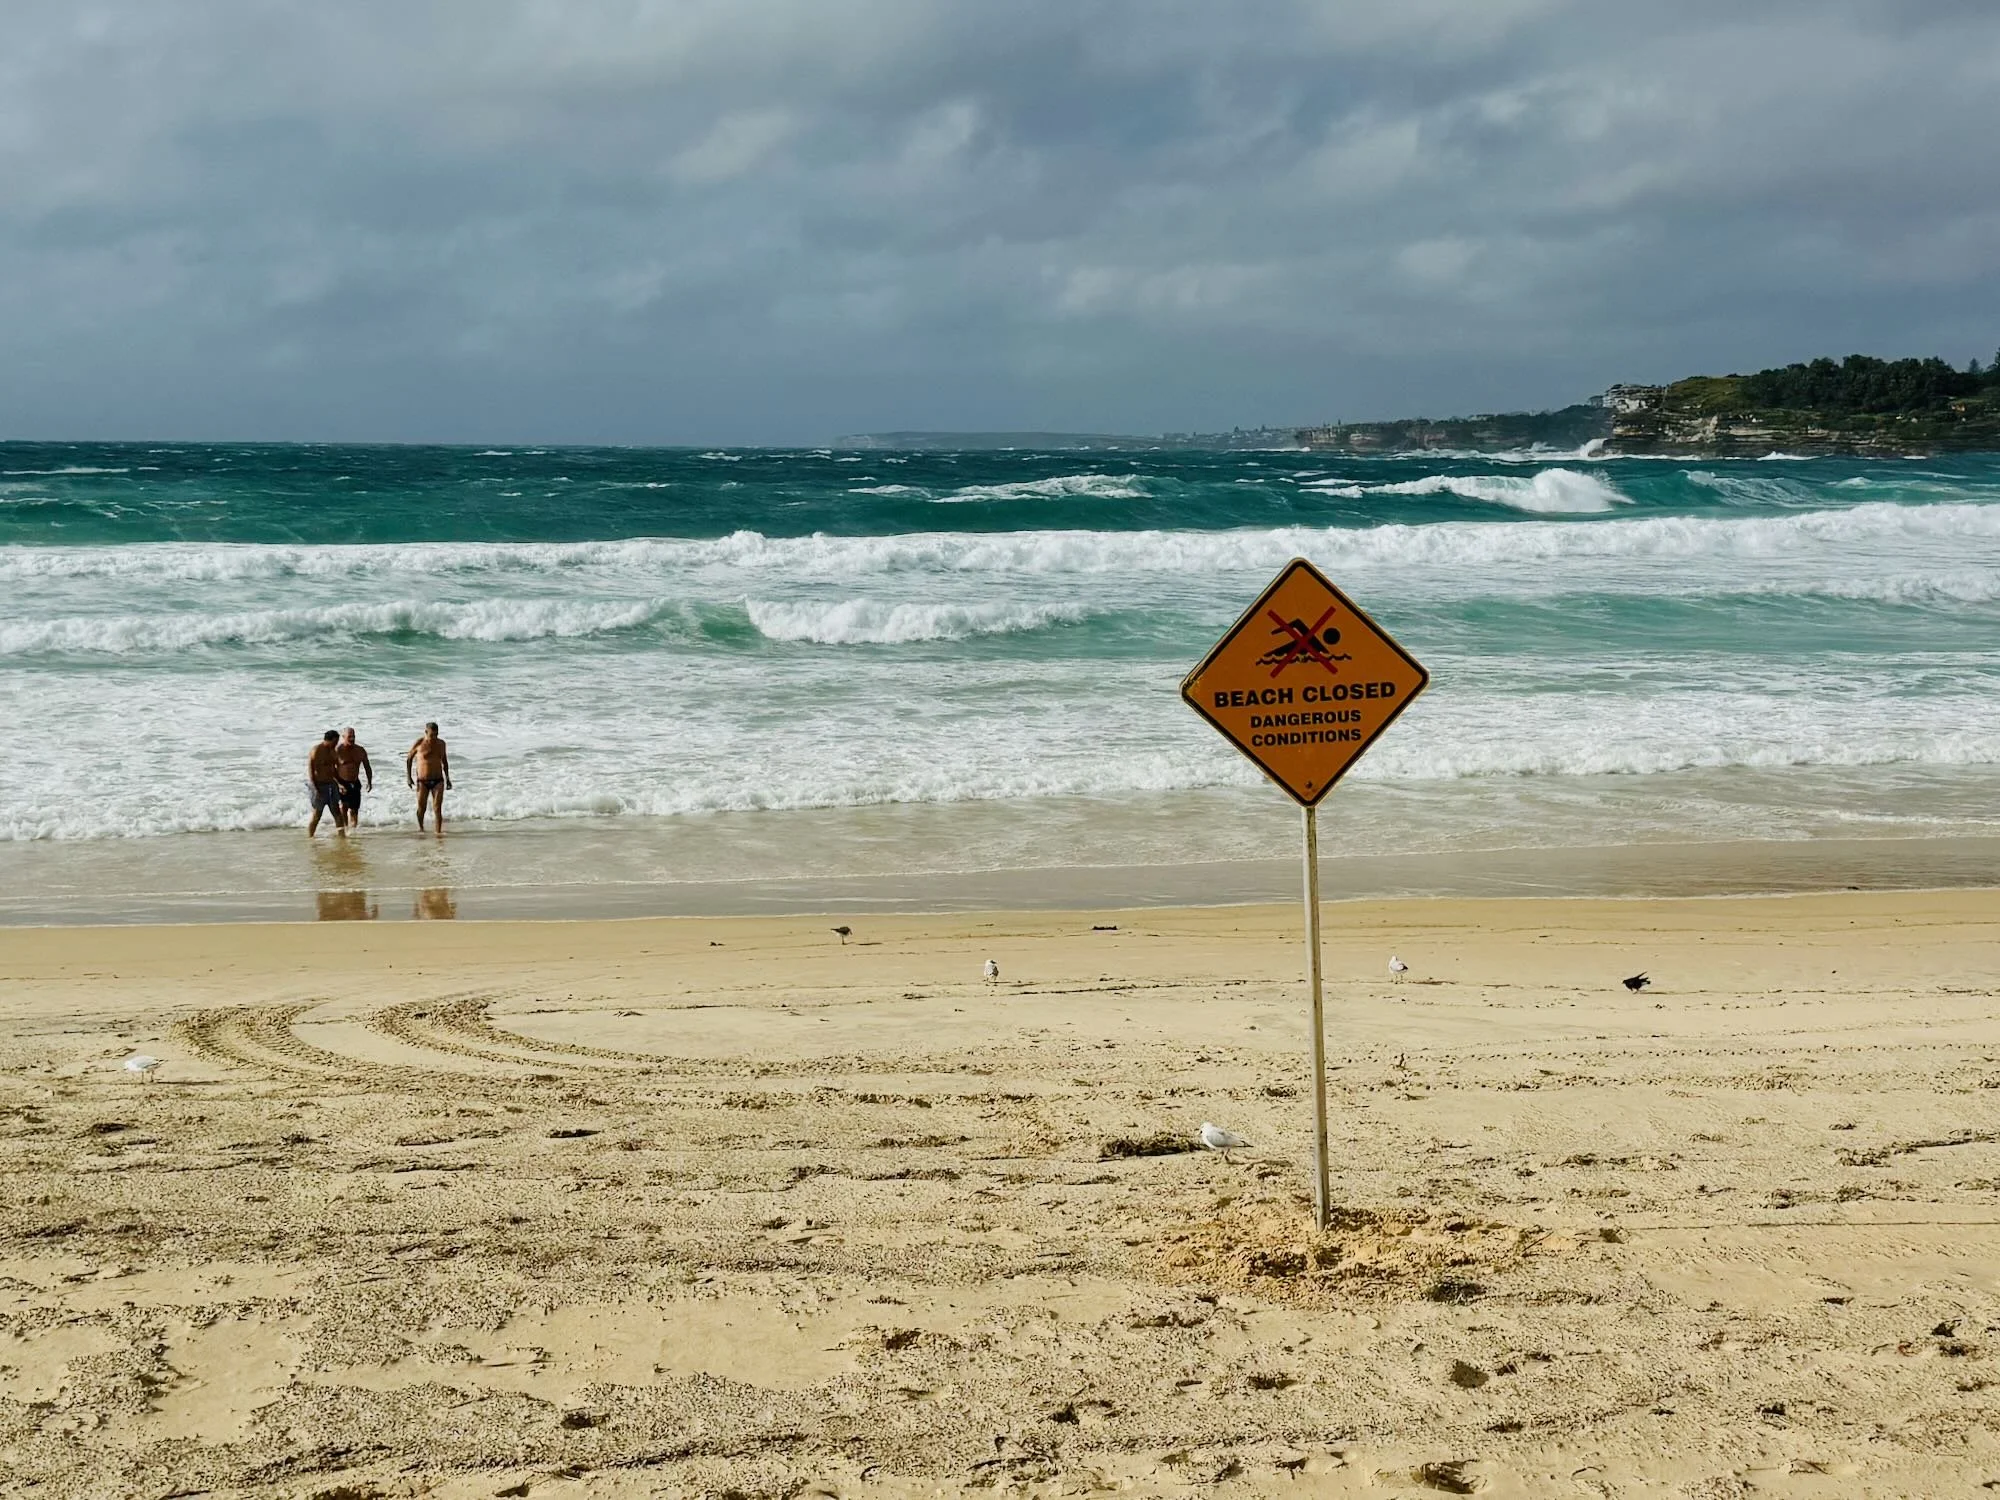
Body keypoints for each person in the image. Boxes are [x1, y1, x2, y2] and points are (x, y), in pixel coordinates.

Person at [405, 721, 452, 831]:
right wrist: (408, 777)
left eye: (436, 735)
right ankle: (421, 829)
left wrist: (448, 778)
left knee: (437, 808)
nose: (434, 737)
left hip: (438, 780)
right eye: (432, 735)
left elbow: (444, 762)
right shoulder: (419, 743)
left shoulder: (441, 744)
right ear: (426, 732)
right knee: (422, 808)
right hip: (422, 781)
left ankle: (438, 832)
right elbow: (409, 758)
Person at [333, 727, 373, 831]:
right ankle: (345, 829)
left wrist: (369, 781)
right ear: (343, 737)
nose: (352, 739)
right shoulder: (337, 750)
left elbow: (367, 766)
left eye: (353, 736)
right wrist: (338, 784)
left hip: (355, 782)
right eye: (349, 737)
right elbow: (330, 769)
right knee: (343, 807)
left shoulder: (360, 750)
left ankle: (353, 831)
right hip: (342, 781)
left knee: (354, 810)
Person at [306, 730, 341, 837]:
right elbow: (311, 771)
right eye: (335, 742)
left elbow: (334, 770)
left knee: (337, 813)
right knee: (317, 814)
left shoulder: (333, 751)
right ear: (328, 740)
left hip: (331, 785)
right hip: (318, 785)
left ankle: (342, 836)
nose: (336, 744)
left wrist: (340, 784)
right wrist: (316, 789)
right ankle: (310, 837)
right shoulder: (316, 750)